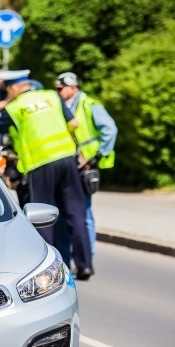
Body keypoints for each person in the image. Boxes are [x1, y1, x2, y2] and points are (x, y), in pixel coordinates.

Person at [0, 69, 93, 280]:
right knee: (76, 213)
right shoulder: (51, 96)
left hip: (39, 165)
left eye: (7, 91)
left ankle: (49, 271)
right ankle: (85, 265)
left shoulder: (14, 107)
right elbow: (74, 123)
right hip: (67, 159)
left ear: (13, 88)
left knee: (43, 218)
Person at [54, 72, 119, 259]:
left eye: (60, 88)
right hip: (67, 164)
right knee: (66, 211)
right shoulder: (60, 106)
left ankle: (87, 255)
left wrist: (98, 155)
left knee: (84, 211)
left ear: (73, 88)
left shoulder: (89, 104)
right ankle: (70, 256)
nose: (57, 92)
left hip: (86, 165)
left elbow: (110, 130)